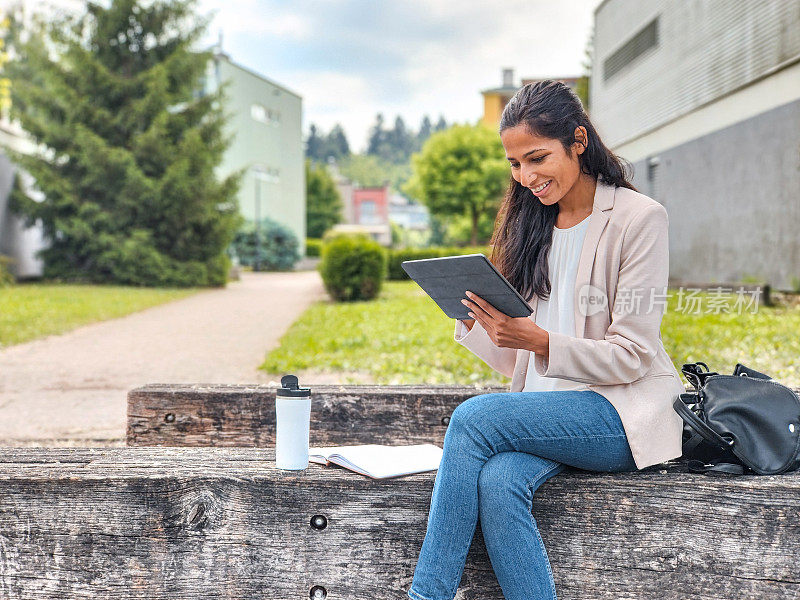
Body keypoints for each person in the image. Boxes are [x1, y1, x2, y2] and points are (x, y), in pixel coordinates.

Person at [406, 80, 686, 600]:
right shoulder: (532, 223)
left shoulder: (639, 218)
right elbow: (518, 355)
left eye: (537, 158)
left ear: (578, 141)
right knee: (498, 482)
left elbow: (633, 356)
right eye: (514, 164)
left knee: (473, 418)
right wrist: (476, 318)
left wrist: (541, 342)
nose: (526, 177)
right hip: (549, 409)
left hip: (616, 413)